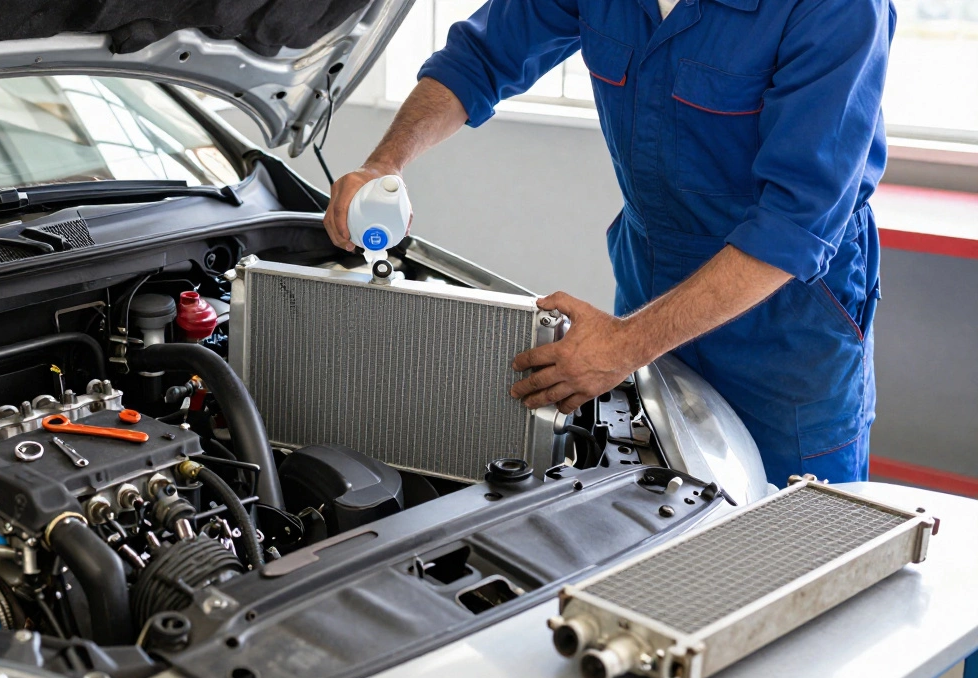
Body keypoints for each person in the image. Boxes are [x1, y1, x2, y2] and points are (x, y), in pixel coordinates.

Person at [323, 0, 894, 488]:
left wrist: (624, 346)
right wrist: (383, 162)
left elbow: (794, 224)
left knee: (790, 532)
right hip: (652, 280)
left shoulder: (837, 9)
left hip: (786, 323)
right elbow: (479, 57)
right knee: (658, 508)